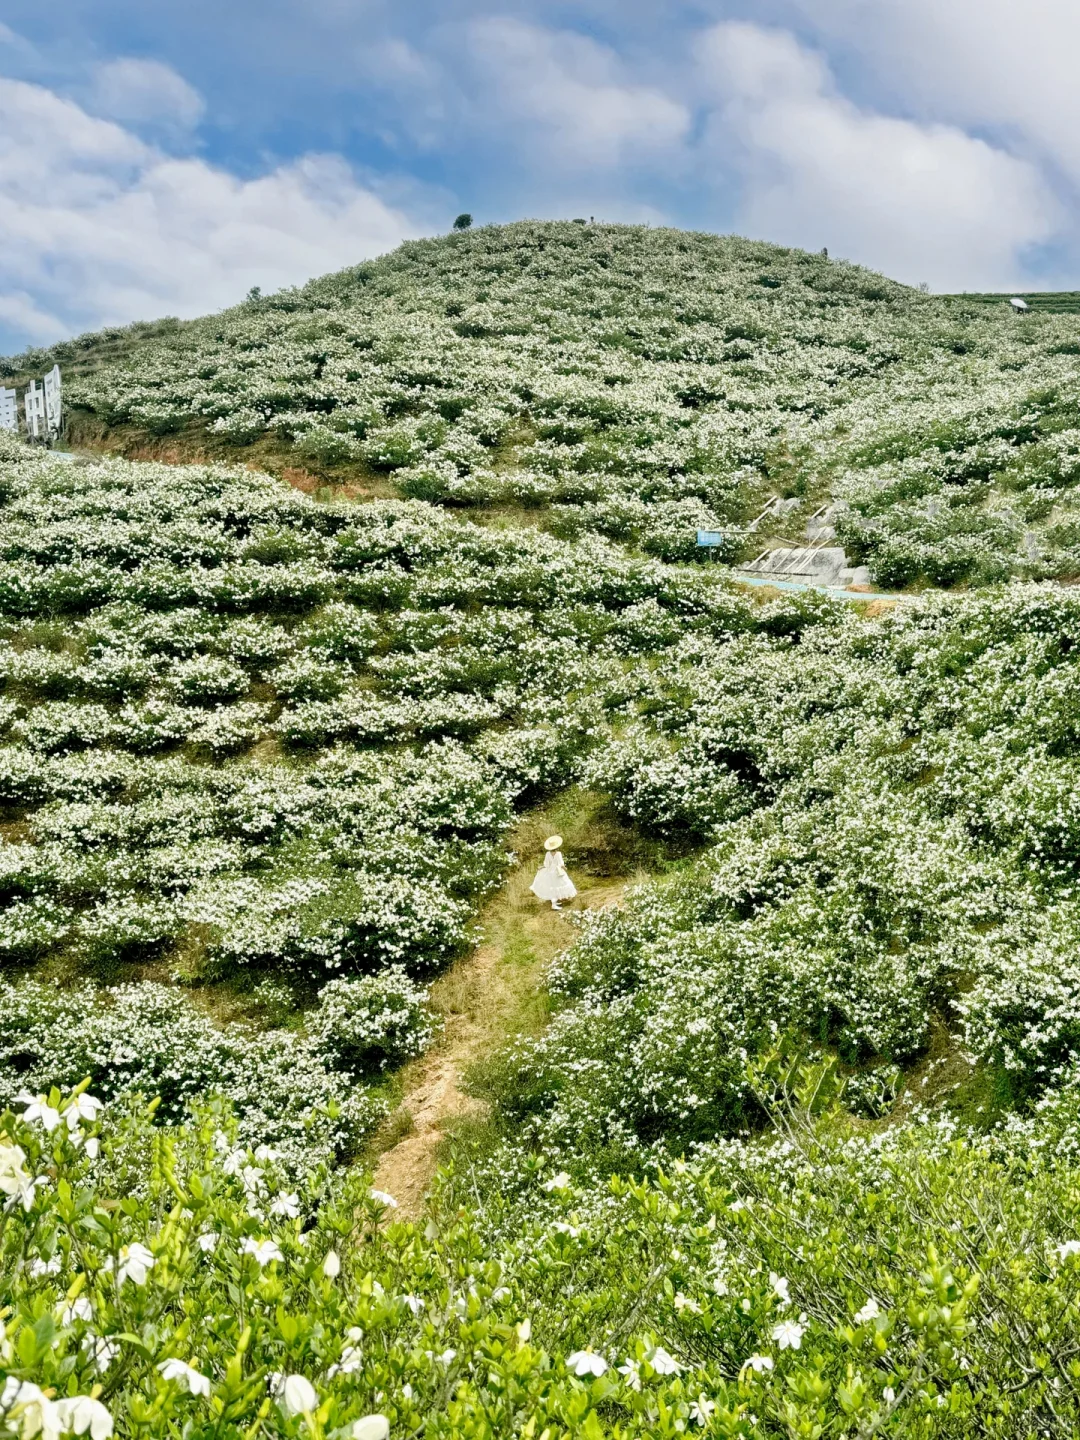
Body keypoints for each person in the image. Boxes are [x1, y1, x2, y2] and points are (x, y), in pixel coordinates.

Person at [530, 835, 577, 912]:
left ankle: (554, 902)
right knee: (558, 885)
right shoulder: (558, 853)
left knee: (552, 886)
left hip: (550, 871)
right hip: (557, 871)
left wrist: (542, 867)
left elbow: (546, 864)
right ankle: (554, 905)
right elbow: (561, 863)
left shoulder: (548, 854)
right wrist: (564, 867)